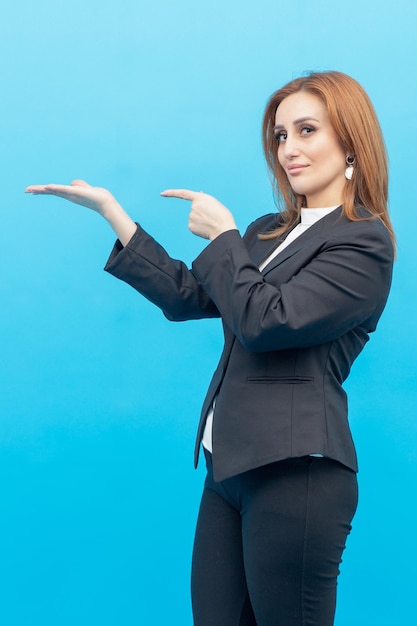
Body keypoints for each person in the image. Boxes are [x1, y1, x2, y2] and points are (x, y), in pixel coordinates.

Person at [26, 70, 395, 626]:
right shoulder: (268, 231)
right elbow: (189, 297)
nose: (289, 149)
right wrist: (114, 216)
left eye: (306, 130)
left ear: (350, 140)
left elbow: (266, 322)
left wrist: (224, 237)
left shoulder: (363, 242)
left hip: (296, 473)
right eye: (279, 136)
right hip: (227, 470)